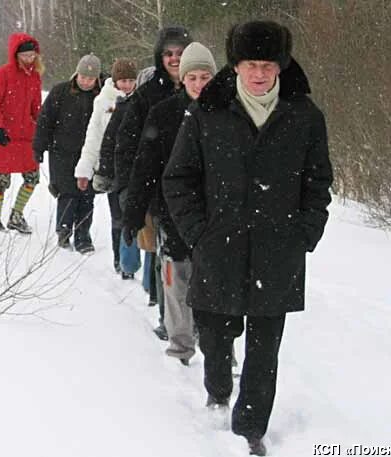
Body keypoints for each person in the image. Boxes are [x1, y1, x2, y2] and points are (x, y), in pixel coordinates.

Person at [162, 21, 333, 456]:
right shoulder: (207, 113)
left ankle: (250, 426)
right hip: (218, 249)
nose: (260, 73)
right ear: (236, 65)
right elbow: (179, 178)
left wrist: (305, 234)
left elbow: (318, 182)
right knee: (216, 336)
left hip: (279, 252)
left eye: (268, 64)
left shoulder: (305, 116)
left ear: (281, 65)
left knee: (265, 348)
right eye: (251, 64)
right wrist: (199, 233)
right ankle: (218, 389)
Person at [124, 42, 217, 366]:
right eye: (192, 77)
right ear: (183, 79)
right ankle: (180, 345)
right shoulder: (163, 113)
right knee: (177, 279)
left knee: (216, 283)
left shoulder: (228, 111)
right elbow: (145, 166)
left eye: (205, 76)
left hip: (217, 215)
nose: (199, 83)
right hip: (172, 211)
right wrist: (133, 213)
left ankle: (219, 348)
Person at [118, 25, 192, 338]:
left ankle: (202, 323)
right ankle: (169, 319)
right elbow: (129, 147)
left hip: (201, 194)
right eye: (168, 54)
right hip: (159, 192)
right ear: (160, 57)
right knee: (167, 260)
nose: (174, 59)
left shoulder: (208, 90)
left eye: (180, 53)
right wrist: (130, 195)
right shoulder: (146, 98)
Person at [33, 53, 102, 253]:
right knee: (67, 193)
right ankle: (63, 232)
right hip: (62, 153)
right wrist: (39, 147)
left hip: (89, 154)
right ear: (76, 74)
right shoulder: (60, 92)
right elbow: (45, 121)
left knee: (87, 195)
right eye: (83, 77)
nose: (86, 82)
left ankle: (83, 236)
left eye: (90, 79)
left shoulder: (101, 97)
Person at [74, 58, 137, 271]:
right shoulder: (104, 101)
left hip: (135, 167)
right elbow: (93, 136)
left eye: (131, 80)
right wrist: (86, 169)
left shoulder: (141, 100)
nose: (127, 85)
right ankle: (120, 260)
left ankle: (134, 259)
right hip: (112, 167)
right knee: (118, 216)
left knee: (135, 216)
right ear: (115, 81)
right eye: (123, 81)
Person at [0, 33, 43, 233]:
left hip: (27, 136)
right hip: (4, 136)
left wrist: (42, 126)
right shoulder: (3, 74)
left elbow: (36, 107)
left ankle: (16, 215)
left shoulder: (35, 76)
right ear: (16, 55)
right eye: (25, 55)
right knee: (1, 181)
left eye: (32, 55)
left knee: (32, 178)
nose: (29, 59)